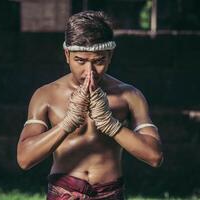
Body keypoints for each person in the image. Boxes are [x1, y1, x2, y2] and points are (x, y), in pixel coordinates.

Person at [17, 10, 163, 200]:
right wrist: (67, 124)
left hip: (110, 193)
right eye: (80, 61)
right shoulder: (46, 95)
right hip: (64, 193)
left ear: (110, 55)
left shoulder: (129, 95)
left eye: (99, 61)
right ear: (67, 54)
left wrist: (111, 125)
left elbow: (155, 156)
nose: (90, 72)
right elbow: (24, 159)